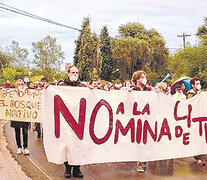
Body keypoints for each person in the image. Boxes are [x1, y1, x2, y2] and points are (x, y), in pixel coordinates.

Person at [59, 65, 85, 178]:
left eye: (76, 73)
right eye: (72, 72)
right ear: (68, 74)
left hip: (80, 120)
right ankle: (68, 168)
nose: (75, 75)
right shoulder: (61, 86)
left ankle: (77, 168)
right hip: (66, 120)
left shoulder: (83, 87)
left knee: (79, 144)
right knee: (67, 144)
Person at [131, 70, 151, 173]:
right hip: (137, 120)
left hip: (147, 120)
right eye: (142, 77)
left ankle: (143, 159)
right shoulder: (133, 90)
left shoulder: (149, 90)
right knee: (138, 140)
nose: (144, 79)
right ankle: (139, 163)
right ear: (137, 79)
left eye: (144, 77)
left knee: (146, 140)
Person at [187, 77, 206, 166]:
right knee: (197, 137)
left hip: (202, 118)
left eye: (199, 83)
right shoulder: (190, 93)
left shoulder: (202, 94)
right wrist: (198, 96)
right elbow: (191, 104)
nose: (199, 85)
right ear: (192, 85)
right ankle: (198, 156)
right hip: (194, 120)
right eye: (197, 84)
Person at [10, 79, 30, 155]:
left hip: (24, 115)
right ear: (16, 85)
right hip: (16, 115)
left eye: (21, 84)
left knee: (25, 131)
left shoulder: (27, 93)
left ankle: (25, 147)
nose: (20, 86)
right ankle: (19, 147)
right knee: (17, 132)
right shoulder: (12, 93)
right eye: (19, 84)